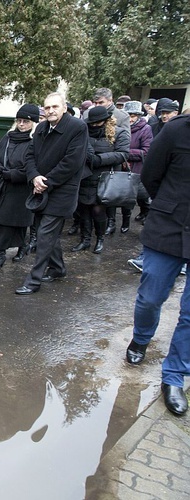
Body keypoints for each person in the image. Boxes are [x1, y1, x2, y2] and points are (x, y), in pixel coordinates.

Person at [123, 111, 190, 416]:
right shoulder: (177, 130)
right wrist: (168, 204)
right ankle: (140, 340)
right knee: (150, 296)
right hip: (168, 227)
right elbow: (150, 175)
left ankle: (174, 375)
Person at [15, 93, 87, 295]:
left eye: (55, 107)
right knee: (47, 233)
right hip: (40, 187)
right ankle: (58, 268)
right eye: (47, 108)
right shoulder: (41, 128)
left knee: (45, 234)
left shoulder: (77, 128)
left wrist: (46, 182)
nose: (51, 111)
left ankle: (33, 280)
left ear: (64, 107)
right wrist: (34, 177)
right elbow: (29, 155)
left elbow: (72, 162)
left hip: (62, 191)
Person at [0, 104, 37, 269]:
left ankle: (13, 250)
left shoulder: (35, 141)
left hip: (22, 189)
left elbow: (34, 166)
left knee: (17, 222)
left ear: (33, 123)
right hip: (4, 186)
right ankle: (9, 250)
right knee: (4, 221)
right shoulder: (8, 137)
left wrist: (13, 174)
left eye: (26, 121)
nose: (21, 124)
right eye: (19, 121)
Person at [72, 106, 129, 254]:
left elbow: (123, 154)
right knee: (83, 209)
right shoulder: (83, 132)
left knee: (98, 211)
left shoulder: (119, 133)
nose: (95, 125)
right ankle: (85, 240)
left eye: (98, 122)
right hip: (85, 176)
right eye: (92, 122)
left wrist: (99, 159)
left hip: (105, 179)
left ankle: (100, 239)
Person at [124, 101, 153, 226]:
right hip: (122, 166)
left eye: (133, 116)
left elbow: (146, 151)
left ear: (138, 116)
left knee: (140, 194)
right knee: (124, 195)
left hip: (137, 167)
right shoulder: (121, 127)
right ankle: (125, 222)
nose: (130, 119)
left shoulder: (146, 129)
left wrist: (125, 153)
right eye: (128, 115)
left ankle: (145, 211)